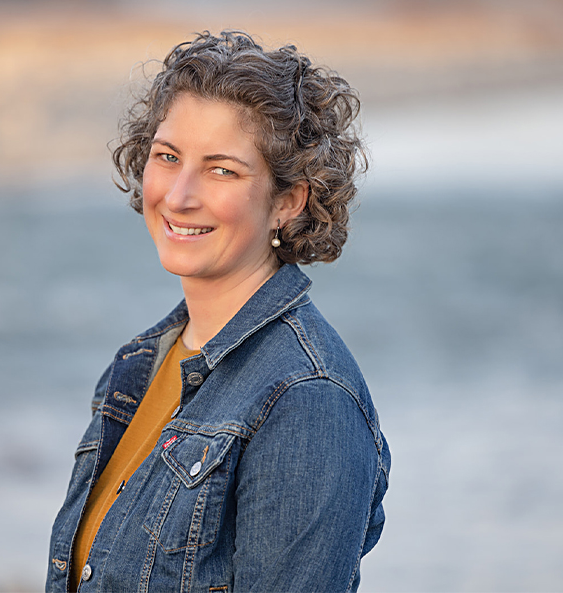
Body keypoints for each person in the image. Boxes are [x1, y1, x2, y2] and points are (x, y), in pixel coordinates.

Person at [47, 30, 389, 593]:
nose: (179, 195)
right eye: (167, 157)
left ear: (288, 200)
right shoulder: (139, 366)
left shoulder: (308, 399)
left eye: (221, 169)